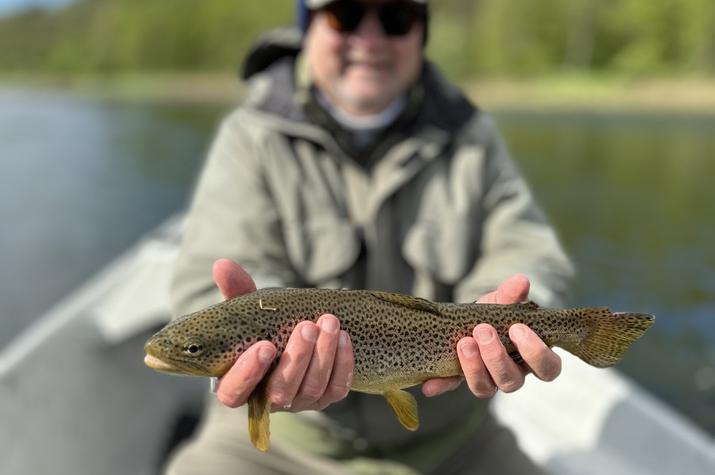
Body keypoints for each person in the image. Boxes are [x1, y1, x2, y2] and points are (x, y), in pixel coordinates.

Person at [165, 0, 573, 473]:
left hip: (455, 440)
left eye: (396, 18)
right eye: (346, 15)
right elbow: (206, 278)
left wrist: (515, 321)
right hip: (283, 443)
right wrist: (259, 367)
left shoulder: (471, 137)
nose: (371, 40)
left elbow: (528, 248)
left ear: (420, 32)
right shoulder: (251, 136)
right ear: (309, 26)